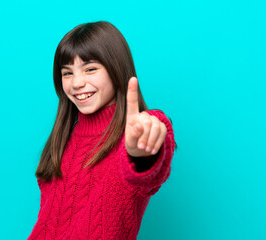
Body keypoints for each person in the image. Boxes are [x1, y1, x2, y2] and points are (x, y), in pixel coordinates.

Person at [28, 21, 176, 240]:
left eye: (90, 69)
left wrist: (141, 152)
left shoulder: (138, 130)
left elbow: (147, 167)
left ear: (116, 68)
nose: (77, 83)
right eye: (67, 73)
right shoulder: (61, 141)